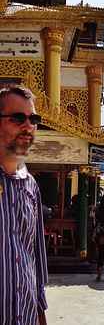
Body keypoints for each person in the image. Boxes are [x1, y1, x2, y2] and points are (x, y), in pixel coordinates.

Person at [0, 84, 47, 323]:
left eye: (33, 119)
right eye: (18, 118)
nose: (28, 126)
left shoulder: (31, 186)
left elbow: (35, 257)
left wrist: (41, 313)